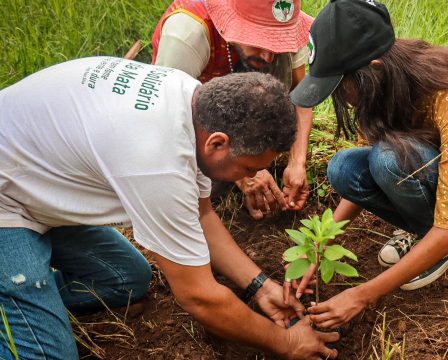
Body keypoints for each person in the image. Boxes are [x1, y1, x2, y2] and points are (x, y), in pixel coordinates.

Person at [0, 57, 338, 359]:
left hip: (34, 182)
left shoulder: (195, 101)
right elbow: (198, 296)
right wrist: (287, 343)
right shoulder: (156, 162)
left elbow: (201, 214)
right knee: (47, 353)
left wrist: (261, 286)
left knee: (126, 280)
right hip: (7, 204)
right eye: (249, 168)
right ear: (217, 143)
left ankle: (26, 302)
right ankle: (20, 305)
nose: (252, 178)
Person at [286, 0, 448, 329]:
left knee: (389, 160)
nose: (342, 97)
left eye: (341, 86)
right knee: (343, 168)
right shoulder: (382, 87)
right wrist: (319, 247)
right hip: (433, 173)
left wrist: (363, 295)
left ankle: (430, 240)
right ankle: (421, 228)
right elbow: (359, 183)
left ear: (373, 68)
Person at [152, 0, 315, 220]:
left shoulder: (280, 18)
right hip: (196, 121)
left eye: (275, 44)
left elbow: (300, 96)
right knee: (201, 184)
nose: (268, 57)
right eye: (259, 41)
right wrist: (245, 174)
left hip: (236, 115)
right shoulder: (189, 32)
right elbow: (164, 118)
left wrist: (297, 163)